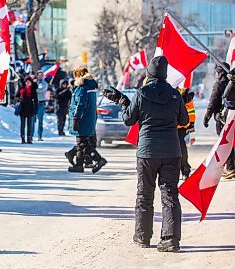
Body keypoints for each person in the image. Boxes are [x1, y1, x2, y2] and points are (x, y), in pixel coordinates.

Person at [104, 56, 188, 252]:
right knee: (170, 194)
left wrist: (122, 100)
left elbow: (128, 120)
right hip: (171, 151)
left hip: (147, 152)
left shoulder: (142, 93)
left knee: (144, 195)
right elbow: (184, 120)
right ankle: (171, 239)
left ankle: (142, 236)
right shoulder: (175, 95)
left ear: (149, 73)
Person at [67, 66, 107, 173]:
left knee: (82, 144)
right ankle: (79, 165)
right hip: (90, 119)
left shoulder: (82, 88)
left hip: (83, 120)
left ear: (79, 76)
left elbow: (80, 105)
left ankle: (99, 159)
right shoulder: (91, 88)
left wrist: (76, 118)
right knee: (82, 144)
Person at [204, 62, 235, 179]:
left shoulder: (219, 84)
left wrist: (207, 115)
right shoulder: (232, 82)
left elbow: (213, 101)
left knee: (226, 142)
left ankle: (230, 167)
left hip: (222, 118)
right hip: (231, 115)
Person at [177, 88, 195, 179]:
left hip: (181, 128)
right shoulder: (162, 91)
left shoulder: (185, 94)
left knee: (181, 150)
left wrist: (192, 133)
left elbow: (191, 114)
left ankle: (185, 170)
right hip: (166, 126)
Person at [17, 77, 38, 144]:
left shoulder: (33, 90)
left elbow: (36, 100)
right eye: (27, 82)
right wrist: (19, 100)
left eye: (29, 82)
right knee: (22, 125)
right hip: (22, 108)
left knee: (30, 125)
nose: (28, 83)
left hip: (30, 108)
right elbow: (16, 96)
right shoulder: (22, 89)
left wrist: (35, 110)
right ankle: (22, 138)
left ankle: (29, 138)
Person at [35, 71, 48, 141]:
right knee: (32, 120)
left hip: (41, 103)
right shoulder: (34, 82)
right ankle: (30, 136)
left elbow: (41, 89)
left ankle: (39, 136)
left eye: (41, 75)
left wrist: (34, 89)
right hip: (34, 103)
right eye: (39, 75)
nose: (40, 76)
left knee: (40, 121)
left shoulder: (45, 83)